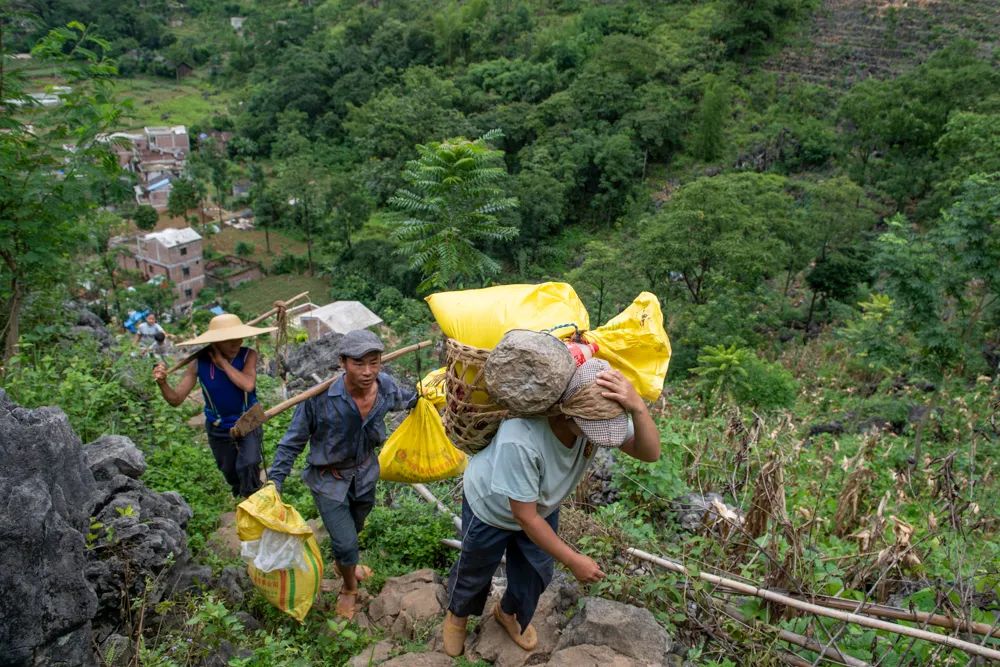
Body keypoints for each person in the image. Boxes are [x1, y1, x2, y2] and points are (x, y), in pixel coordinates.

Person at [441, 358, 661, 657]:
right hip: (492, 507)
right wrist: (573, 559)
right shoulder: (521, 438)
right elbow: (524, 517)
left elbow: (649, 453)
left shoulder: (593, 420)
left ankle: (508, 613)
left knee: (535, 572)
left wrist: (638, 407)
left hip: (540, 504)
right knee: (475, 566)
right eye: (595, 430)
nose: (600, 438)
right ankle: (458, 615)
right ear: (567, 414)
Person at [268, 329, 417, 620]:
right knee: (346, 542)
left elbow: (408, 399)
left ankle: (344, 563)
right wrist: (275, 481)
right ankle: (349, 587)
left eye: (374, 362)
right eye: (358, 364)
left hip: (364, 473)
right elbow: (292, 441)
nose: (367, 371)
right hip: (329, 479)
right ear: (343, 363)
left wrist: (433, 395)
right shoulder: (319, 399)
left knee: (355, 527)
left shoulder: (385, 387)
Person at [152, 313, 276, 498]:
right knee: (229, 471)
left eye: (238, 338)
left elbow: (248, 385)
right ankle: (241, 494)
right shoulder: (197, 363)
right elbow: (176, 399)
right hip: (218, 427)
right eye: (229, 340)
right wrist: (162, 383)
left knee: (249, 463)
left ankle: (254, 498)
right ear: (216, 341)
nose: (236, 343)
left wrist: (224, 364)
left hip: (248, 420)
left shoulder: (248, 355)